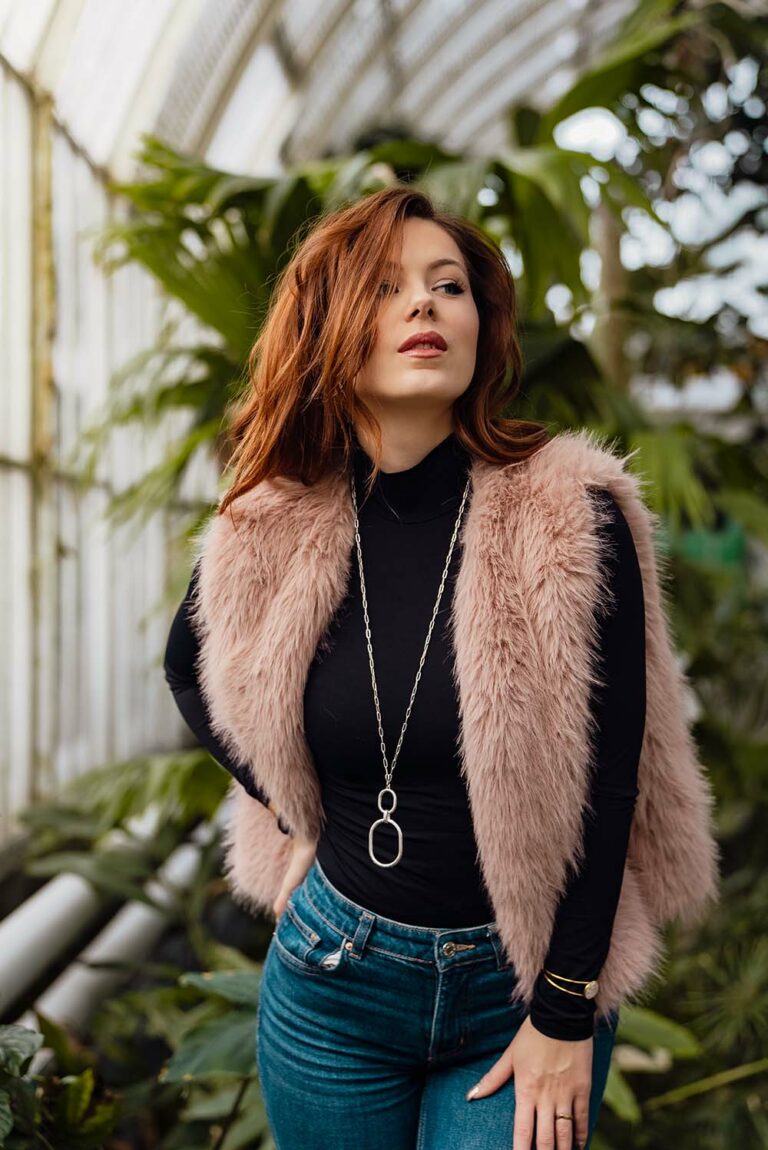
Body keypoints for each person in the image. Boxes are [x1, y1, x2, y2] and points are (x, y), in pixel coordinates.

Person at [163, 186, 720, 1150]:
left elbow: (612, 782)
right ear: (329, 329)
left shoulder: (572, 516)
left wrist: (565, 1010)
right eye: (386, 286)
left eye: (448, 285)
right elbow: (187, 670)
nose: (424, 303)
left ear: (481, 323)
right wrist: (296, 811)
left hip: (520, 987)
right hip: (331, 981)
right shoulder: (273, 520)